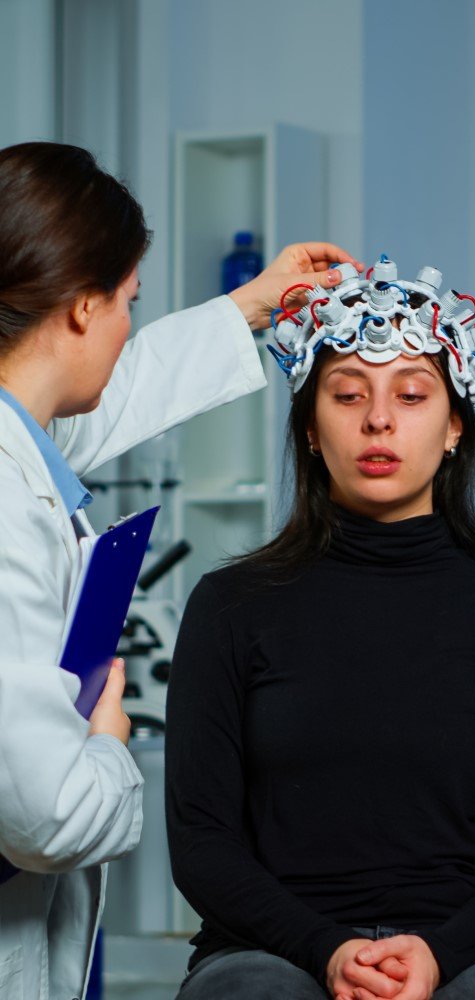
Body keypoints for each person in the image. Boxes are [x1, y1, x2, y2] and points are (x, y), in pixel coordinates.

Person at [0, 140, 362, 1000]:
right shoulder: (7, 505)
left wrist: (251, 306)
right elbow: (49, 818)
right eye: (129, 301)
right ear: (82, 307)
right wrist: (109, 741)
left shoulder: (24, 441)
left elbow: (107, 399)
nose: (129, 326)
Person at [165, 260, 475, 1000]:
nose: (379, 420)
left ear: (455, 427)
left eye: (411, 395)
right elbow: (201, 840)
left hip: (467, 950)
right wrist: (326, 950)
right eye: (349, 394)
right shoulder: (230, 606)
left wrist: (439, 954)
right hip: (273, 945)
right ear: (311, 430)